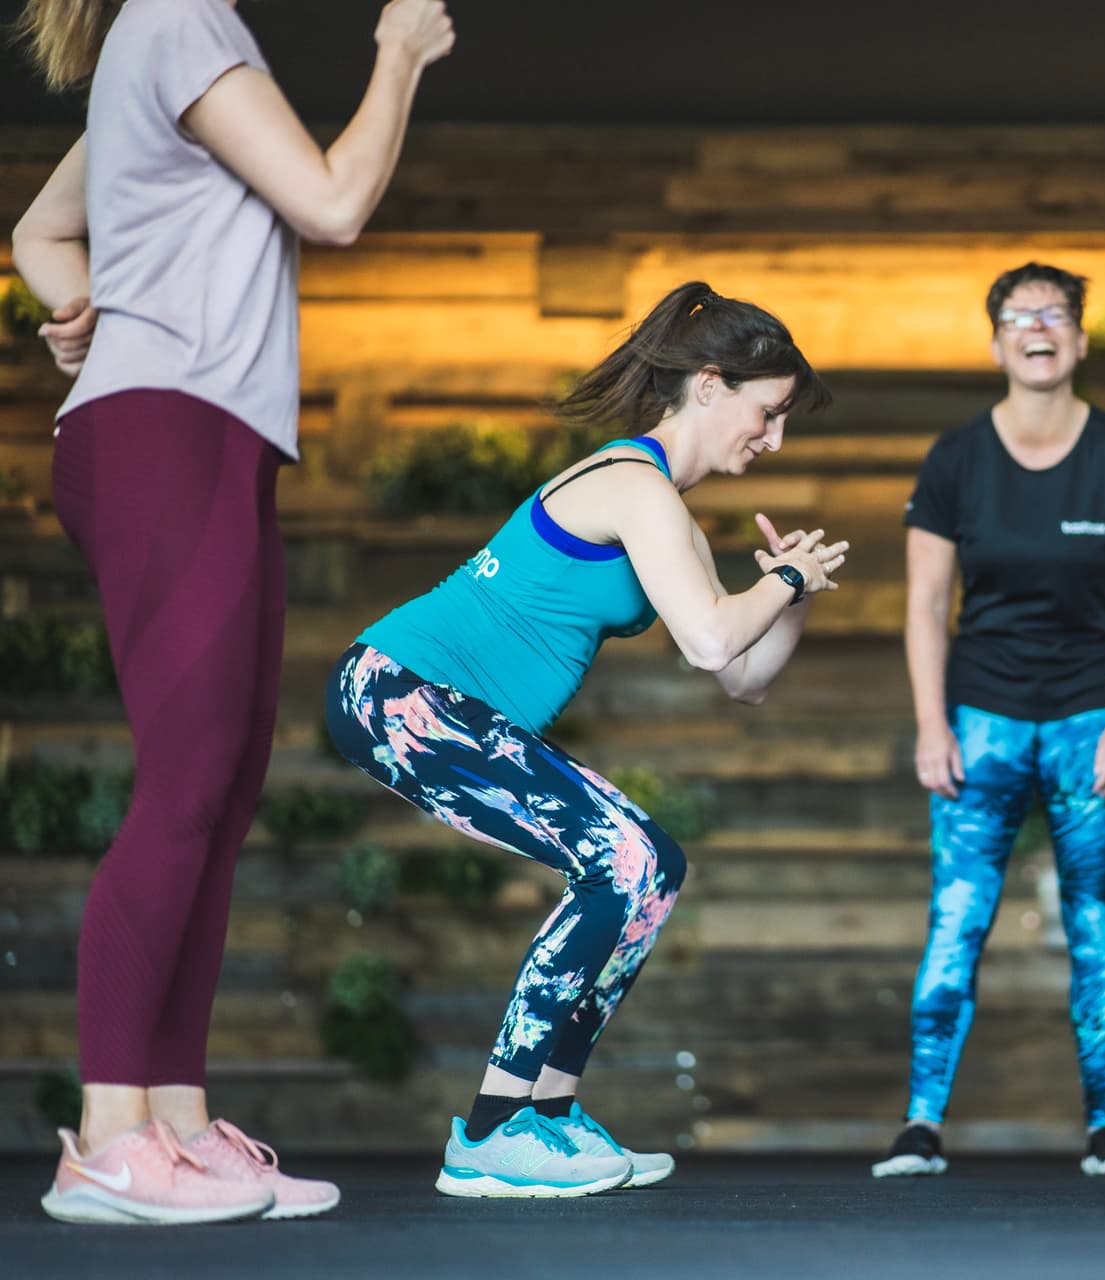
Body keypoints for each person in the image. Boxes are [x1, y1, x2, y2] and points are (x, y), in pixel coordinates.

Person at [13, 0, 453, 1224]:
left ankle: (179, 1120)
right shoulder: (179, 15)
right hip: (165, 429)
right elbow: (334, 203)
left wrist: (78, 311)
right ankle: (107, 1138)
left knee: (222, 786)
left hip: (206, 435)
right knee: (187, 783)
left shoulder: (166, 40)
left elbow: (42, 231)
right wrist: (399, 55)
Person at [325, 282, 840, 1197]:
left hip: (430, 703)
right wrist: (782, 584)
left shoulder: (665, 510)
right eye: (768, 414)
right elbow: (713, 636)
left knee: (654, 867)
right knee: (621, 857)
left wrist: (791, 597)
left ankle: (549, 1117)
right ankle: (490, 1133)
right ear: (710, 386)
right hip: (399, 690)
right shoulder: (632, 486)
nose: (774, 439)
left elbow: (742, 676)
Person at [874, 263, 1105, 1179]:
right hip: (980, 722)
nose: (1037, 328)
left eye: (1055, 314)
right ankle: (921, 1128)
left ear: (1080, 339)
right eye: (1017, 316)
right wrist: (932, 725)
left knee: (1098, 924)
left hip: (1093, 718)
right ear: (997, 339)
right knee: (956, 922)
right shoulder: (956, 458)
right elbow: (926, 605)